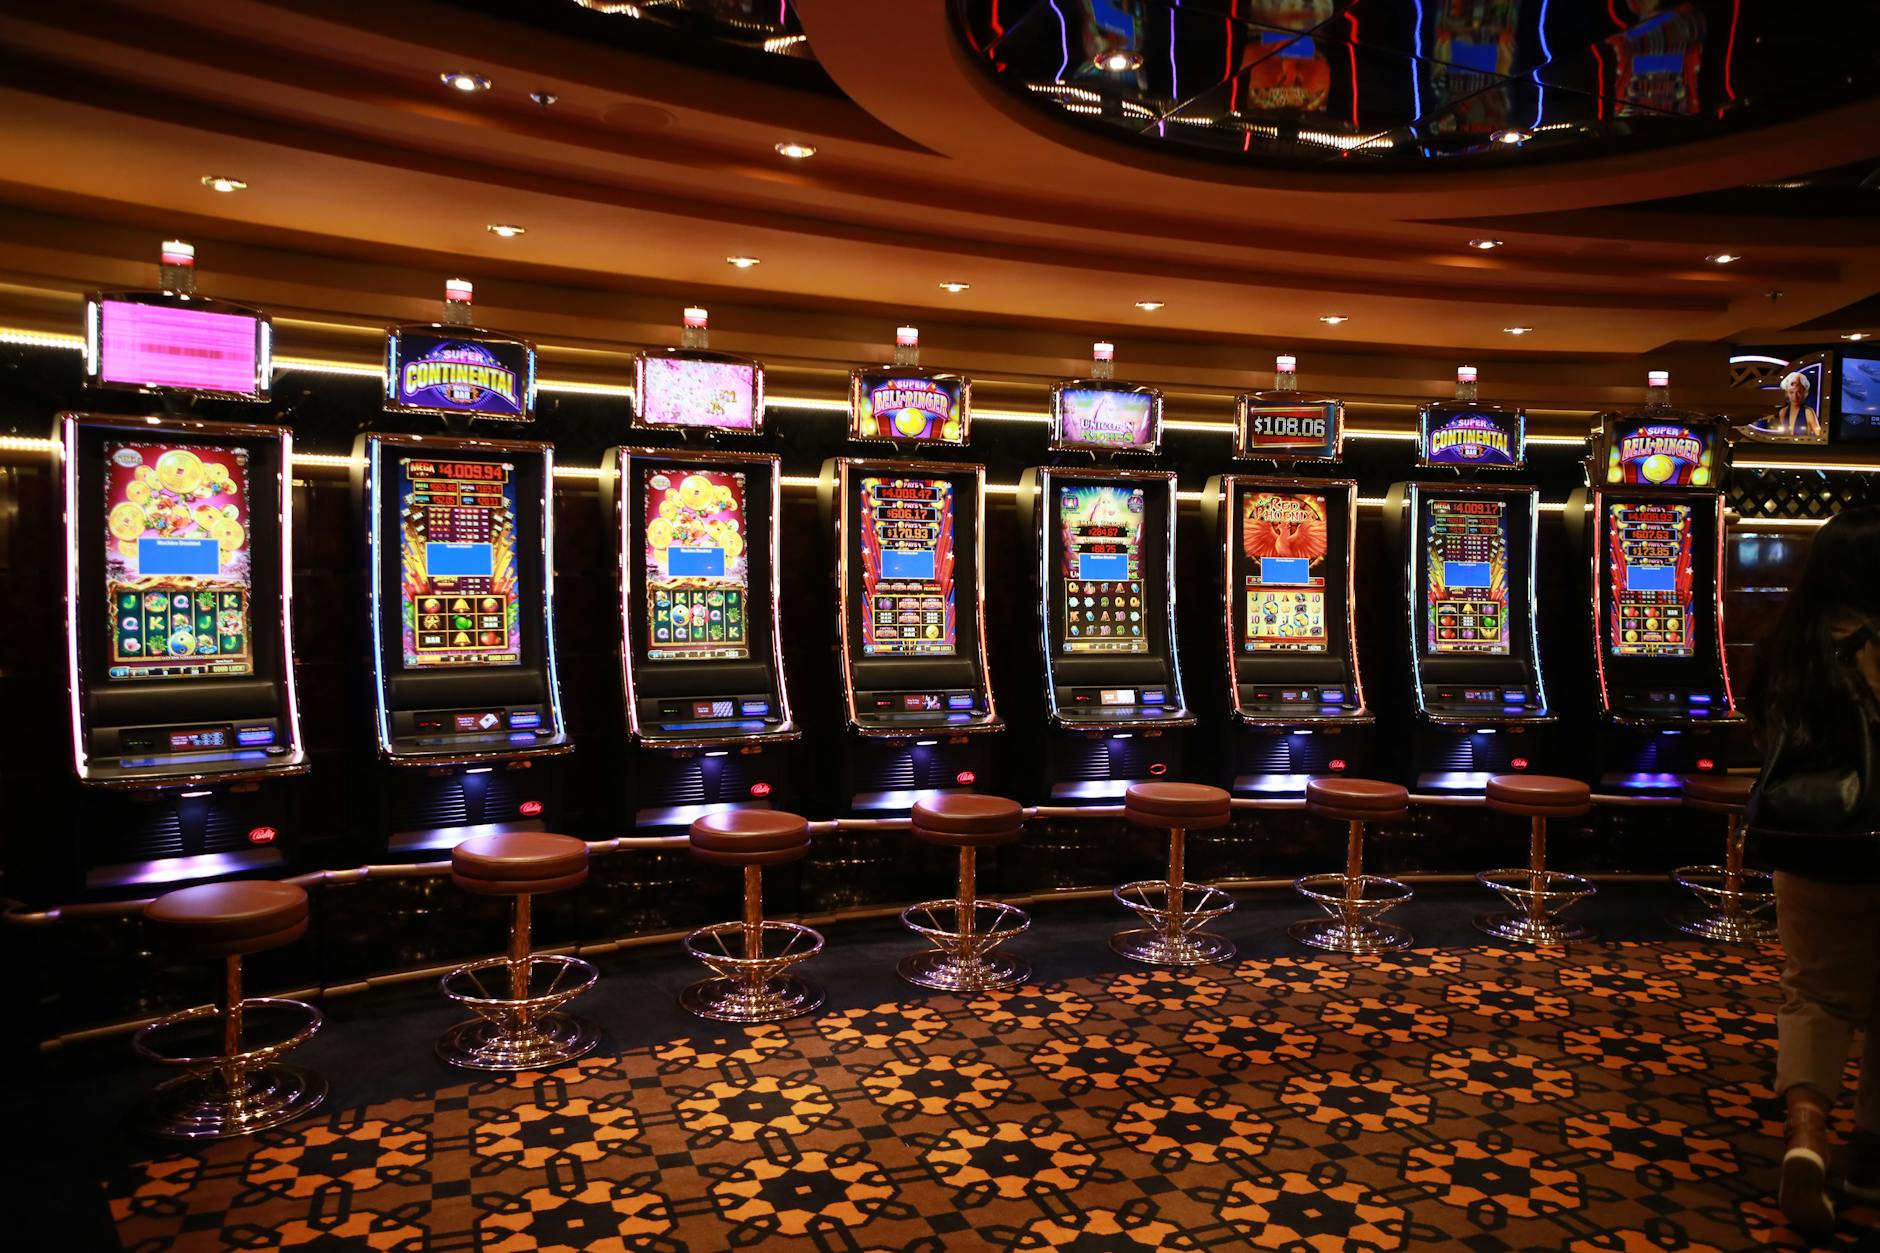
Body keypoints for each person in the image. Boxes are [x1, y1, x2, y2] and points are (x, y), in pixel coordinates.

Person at [1747, 505, 1880, 1235]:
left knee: (1814, 992)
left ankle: (1805, 1135)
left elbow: (1763, 735)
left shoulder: (1789, 641)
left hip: (1812, 839)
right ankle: (1871, 1157)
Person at [1768, 370, 1823, 439]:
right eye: (1791, 392)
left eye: (1799, 392)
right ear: (1786, 393)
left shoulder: (1808, 412)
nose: (1795, 397)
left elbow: (1820, 437)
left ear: (1804, 393)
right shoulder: (1782, 412)